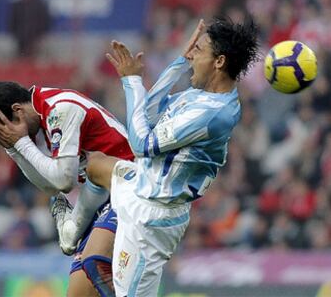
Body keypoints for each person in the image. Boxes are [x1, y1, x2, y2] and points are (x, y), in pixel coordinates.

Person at [71, 17, 259, 296]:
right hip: (140, 185)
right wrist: (179, 63)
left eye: (199, 50)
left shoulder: (213, 114)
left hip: (152, 216)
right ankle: (72, 232)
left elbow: (142, 144)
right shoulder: (197, 96)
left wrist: (131, 81)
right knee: (96, 163)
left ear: (218, 62)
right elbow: (148, 113)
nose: (193, 54)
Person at [0, 82, 133, 296]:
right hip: (101, 198)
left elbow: (64, 182)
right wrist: (13, 148)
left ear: (17, 110)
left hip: (127, 191)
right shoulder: (44, 117)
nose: (6, 135)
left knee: (94, 264)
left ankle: (71, 229)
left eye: (5, 130)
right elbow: (50, 187)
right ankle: (71, 229)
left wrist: (21, 143)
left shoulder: (61, 108)